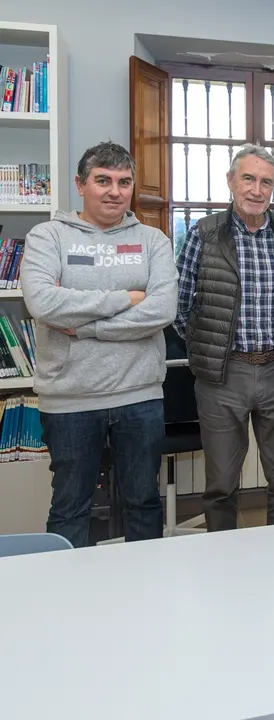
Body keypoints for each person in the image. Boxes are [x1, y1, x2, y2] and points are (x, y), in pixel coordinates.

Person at [173, 143, 274, 589]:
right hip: (222, 375)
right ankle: (225, 572)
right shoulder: (204, 233)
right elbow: (181, 306)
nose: (257, 190)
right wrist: (212, 350)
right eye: (249, 179)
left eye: (267, 181)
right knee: (221, 485)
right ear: (231, 182)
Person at [22, 141, 177, 547]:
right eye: (103, 180)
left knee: (143, 503)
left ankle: (143, 593)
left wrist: (86, 326)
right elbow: (43, 302)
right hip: (70, 398)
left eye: (124, 182)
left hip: (140, 395)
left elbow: (162, 310)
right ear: (81, 184)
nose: (114, 191)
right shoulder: (48, 236)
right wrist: (126, 298)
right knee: (71, 507)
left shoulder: (152, 240)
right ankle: (70, 602)